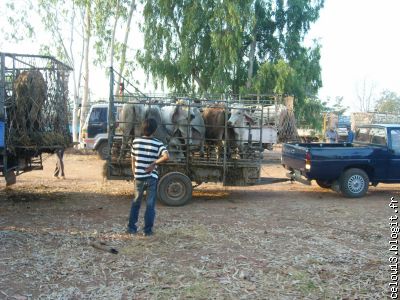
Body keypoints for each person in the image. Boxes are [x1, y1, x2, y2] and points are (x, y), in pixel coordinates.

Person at [127, 118, 169, 237]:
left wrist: (135, 174)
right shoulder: (158, 143)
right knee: (150, 205)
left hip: (138, 178)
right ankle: (147, 231)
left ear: (142, 128)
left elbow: (133, 159)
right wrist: (154, 163)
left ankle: (131, 228)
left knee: (136, 203)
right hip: (151, 178)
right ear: (154, 130)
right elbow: (166, 156)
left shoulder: (135, 142)